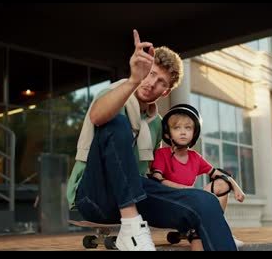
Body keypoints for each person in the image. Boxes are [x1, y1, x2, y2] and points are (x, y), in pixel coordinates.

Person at [66, 29, 237, 251]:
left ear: (166, 91)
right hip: (95, 197)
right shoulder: (115, 94)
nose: (150, 83)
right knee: (117, 123)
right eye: (150, 74)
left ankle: (213, 232)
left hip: (137, 194)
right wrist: (134, 79)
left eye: (160, 81)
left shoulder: (157, 124)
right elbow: (98, 117)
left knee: (205, 202)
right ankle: (132, 227)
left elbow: (150, 174)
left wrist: (186, 194)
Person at [150, 104, 246, 250]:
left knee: (222, 183)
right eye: (177, 128)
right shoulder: (162, 154)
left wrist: (235, 186)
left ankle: (213, 227)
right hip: (171, 202)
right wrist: (186, 189)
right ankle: (206, 230)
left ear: (194, 133)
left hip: (191, 201)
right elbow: (157, 180)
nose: (183, 133)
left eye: (188, 128)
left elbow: (218, 174)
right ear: (168, 133)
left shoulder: (195, 157)